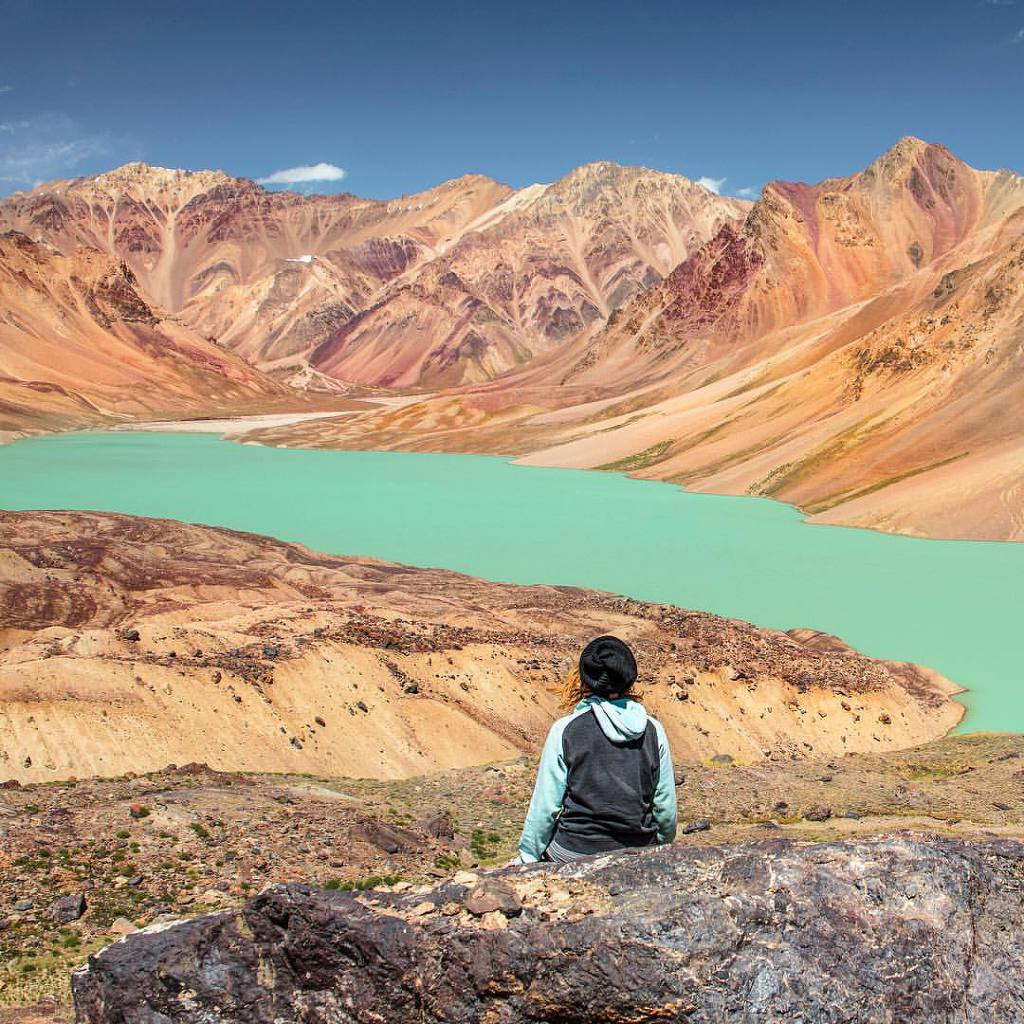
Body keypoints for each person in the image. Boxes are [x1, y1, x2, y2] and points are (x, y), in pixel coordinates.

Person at [515, 635, 677, 864]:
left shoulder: (565, 730)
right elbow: (665, 806)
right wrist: (661, 843)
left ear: (585, 679)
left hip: (574, 852)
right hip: (639, 850)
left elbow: (545, 806)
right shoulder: (653, 730)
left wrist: (528, 855)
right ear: (629, 678)